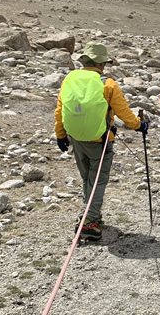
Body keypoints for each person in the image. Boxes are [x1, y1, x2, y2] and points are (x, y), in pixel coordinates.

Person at [54, 43, 147, 241]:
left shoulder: (70, 79)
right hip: (100, 140)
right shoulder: (108, 84)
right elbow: (124, 113)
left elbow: (60, 109)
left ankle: (89, 213)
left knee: (87, 177)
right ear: (101, 64)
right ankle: (90, 222)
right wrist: (139, 126)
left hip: (76, 138)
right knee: (97, 181)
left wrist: (60, 134)